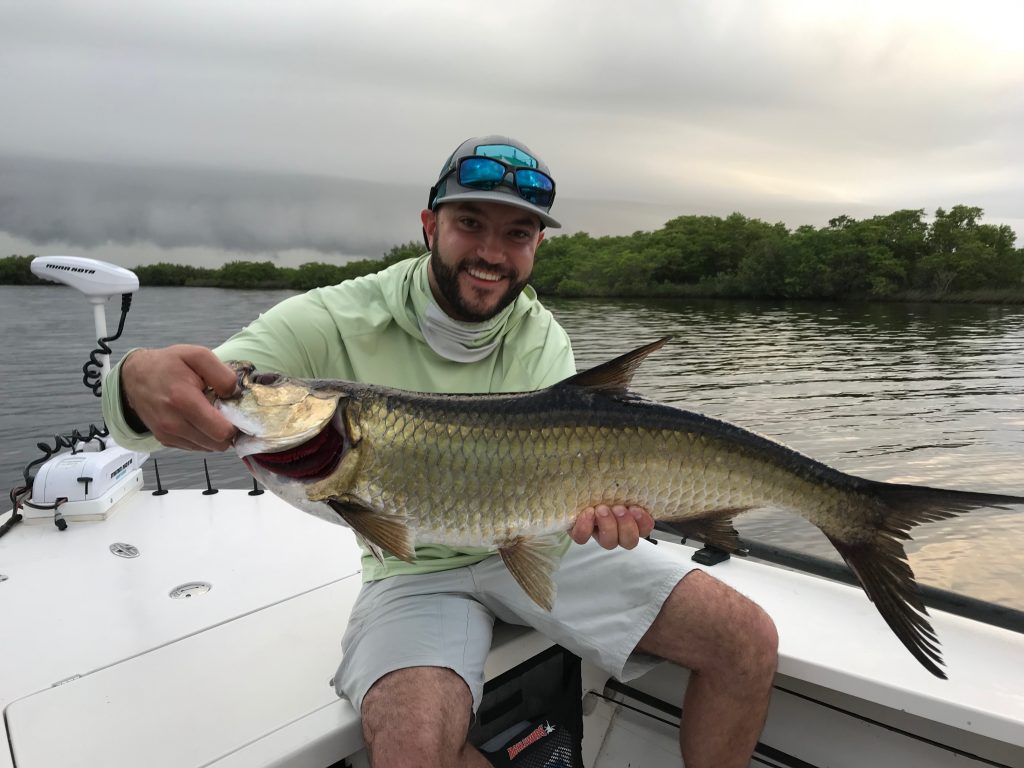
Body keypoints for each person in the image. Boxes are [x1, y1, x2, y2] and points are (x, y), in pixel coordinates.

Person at [102, 135, 778, 768]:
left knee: (746, 640)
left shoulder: (544, 339)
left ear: (536, 246)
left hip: (539, 547)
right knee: (412, 744)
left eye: (516, 233)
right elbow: (198, 393)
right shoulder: (330, 318)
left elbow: (569, 486)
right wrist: (136, 380)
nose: (491, 251)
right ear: (429, 227)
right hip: (414, 573)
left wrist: (615, 512)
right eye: (470, 225)